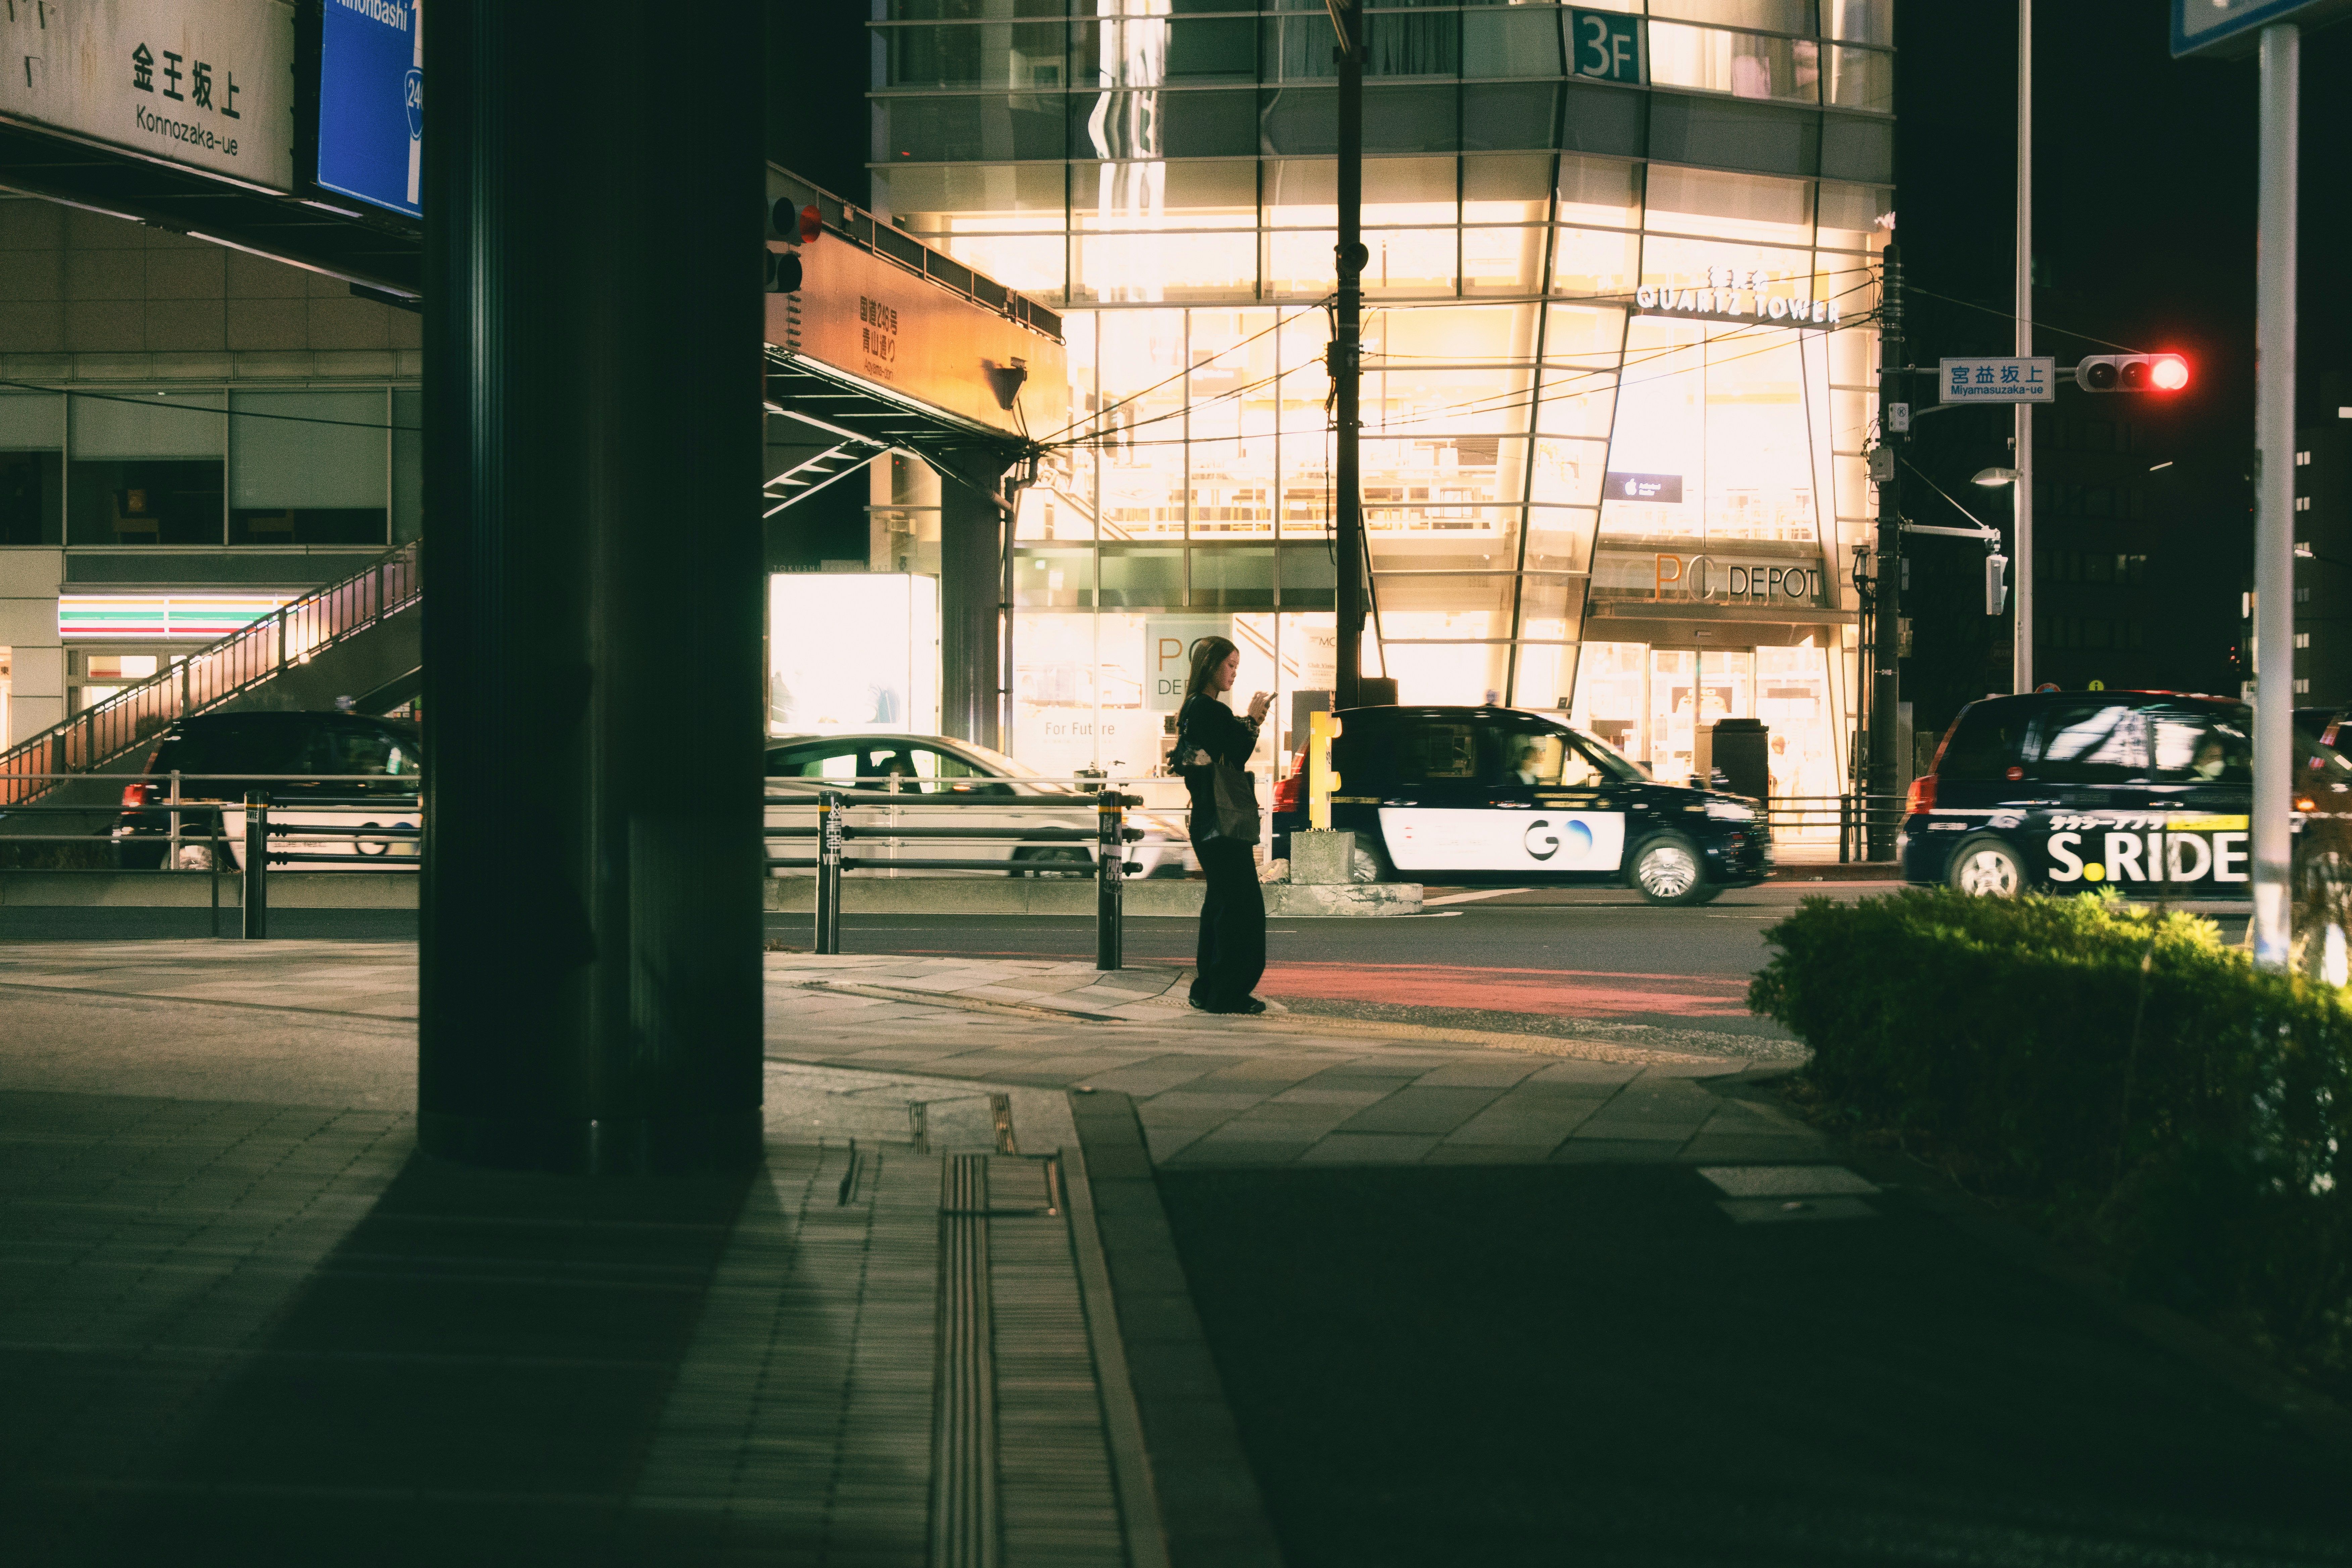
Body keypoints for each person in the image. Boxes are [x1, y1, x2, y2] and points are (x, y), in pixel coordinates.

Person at [1175, 636, 1271, 1015]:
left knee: (1221, 903)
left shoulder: (1193, 708)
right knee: (1242, 908)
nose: (1233, 673)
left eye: (1236, 666)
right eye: (1230, 665)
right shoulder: (1208, 709)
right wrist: (1253, 720)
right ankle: (1227, 992)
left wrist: (1246, 723)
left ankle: (1209, 987)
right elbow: (1235, 753)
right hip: (1222, 820)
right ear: (1211, 665)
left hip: (1208, 819)